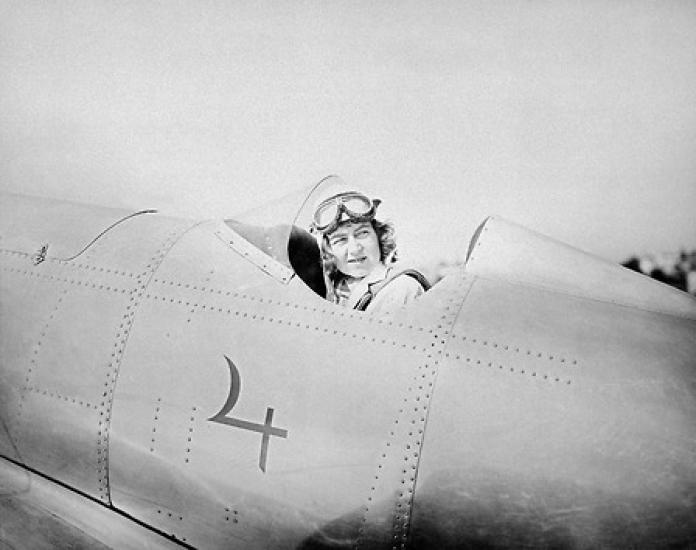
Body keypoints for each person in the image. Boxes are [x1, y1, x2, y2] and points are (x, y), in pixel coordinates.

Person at [311, 190, 430, 313]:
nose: (355, 249)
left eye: (363, 233)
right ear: (328, 249)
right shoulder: (331, 292)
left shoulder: (401, 289)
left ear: (378, 236)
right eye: (340, 240)